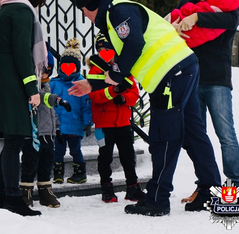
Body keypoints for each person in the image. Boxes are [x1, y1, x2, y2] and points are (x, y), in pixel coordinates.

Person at [69, 0, 221, 216]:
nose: (84, 15)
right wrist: (92, 84)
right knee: (193, 132)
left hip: (170, 75)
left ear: (91, 4)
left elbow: (133, 46)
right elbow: (124, 65)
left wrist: (116, 74)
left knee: (164, 137)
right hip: (181, 68)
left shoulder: (118, 12)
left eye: (82, 9)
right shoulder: (118, 16)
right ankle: (210, 190)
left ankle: (158, 200)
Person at [0, 0, 48, 216]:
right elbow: (22, 51)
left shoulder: (4, 11)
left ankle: (0, 196)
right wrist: (31, 87)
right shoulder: (22, 11)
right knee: (14, 140)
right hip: (12, 81)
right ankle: (13, 198)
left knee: (11, 141)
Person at [172, 0, 239, 203]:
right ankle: (206, 186)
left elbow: (232, 20)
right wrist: (175, 26)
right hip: (191, 78)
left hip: (218, 79)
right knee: (197, 137)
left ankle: (235, 188)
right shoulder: (188, 2)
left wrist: (196, 17)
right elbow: (176, 19)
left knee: (226, 135)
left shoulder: (225, 3)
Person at [87, 32, 145, 203]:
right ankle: (107, 188)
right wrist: (114, 91)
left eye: (109, 48)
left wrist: (125, 99)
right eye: (102, 49)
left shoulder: (122, 68)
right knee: (105, 157)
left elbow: (133, 92)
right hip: (103, 124)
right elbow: (95, 95)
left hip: (122, 122)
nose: (105, 51)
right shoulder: (94, 71)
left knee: (128, 155)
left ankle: (133, 187)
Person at [20, 50, 72, 208]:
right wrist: (57, 99)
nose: (45, 71)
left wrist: (57, 129)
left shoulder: (48, 86)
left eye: (49, 68)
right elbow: (42, 97)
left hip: (48, 134)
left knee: (46, 163)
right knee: (30, 163)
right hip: (34, 134)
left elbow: (51, 112)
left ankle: (45, 191)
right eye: (42, 67)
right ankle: (26, 191)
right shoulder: (31, 88)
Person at [50, 37, 93, 184]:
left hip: (75, 124)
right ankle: (57, 174)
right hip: (58, 126)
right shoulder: (54, 83)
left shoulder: (82, 84)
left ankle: (80, 173)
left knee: (75, 150)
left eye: (71, 66)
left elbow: (86, 105)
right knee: (58, 151)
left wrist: (88, 122)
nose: (67, 69)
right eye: (64, 66)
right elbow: (49, 102)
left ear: (77, 67)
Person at [164, 0, 239, 48]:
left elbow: (233, 20)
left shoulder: (228, 2)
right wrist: (172, 27)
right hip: (187, 58)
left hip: (213, 62)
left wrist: (197, 17)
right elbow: (177, 13)